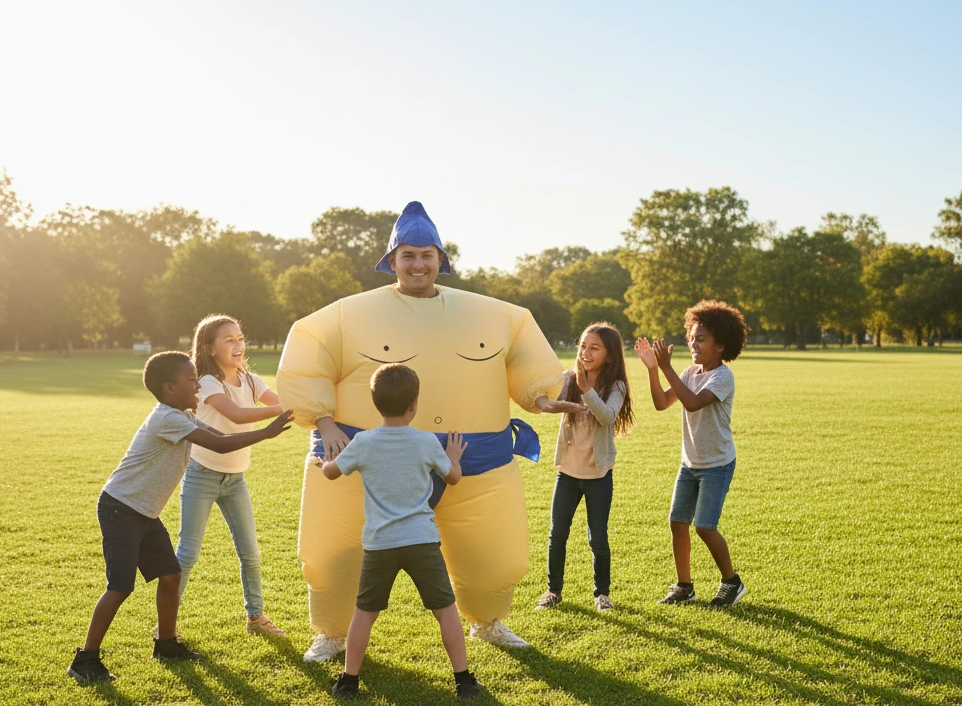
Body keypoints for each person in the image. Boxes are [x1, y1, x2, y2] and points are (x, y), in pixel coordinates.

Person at [276, 201, 564, 661]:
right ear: (392, 262)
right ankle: (332, 633)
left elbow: (529, 358)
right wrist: (323, 419)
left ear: (441, 261)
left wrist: (541, 395)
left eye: (426, 255)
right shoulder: (346, 315)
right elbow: (307, 352)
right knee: (335, 556)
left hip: (474, 462)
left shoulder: (495, 315)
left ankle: (488, 621)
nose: (417, 264)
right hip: (369, 460)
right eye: (407, 255)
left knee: (498, 561)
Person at [67, 351, 293, 682]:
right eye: (190, 380)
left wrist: (262, 431)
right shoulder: (167, 418)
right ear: (169, 388)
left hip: (144, 512)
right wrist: (266, 432)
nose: (197, 386)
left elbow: (219, 437)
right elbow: (218, 446)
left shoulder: (184, 413)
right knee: (119, 587)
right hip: (121, 508)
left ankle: (167, 644)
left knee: (171, 575)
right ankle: (84, 660)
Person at [320, 363, 483, 699]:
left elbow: (331, 473)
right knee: (445, 611)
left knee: (365, 613)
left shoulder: (363, 443)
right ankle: (464, 681)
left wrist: (324, 460)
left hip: (380, 544)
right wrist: (453, 457)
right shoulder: (425, 442)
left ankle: (349, 682)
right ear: (415, 404)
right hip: (422, 540)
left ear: (374, 402)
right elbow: (453, 478)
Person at [175, 314, 289, 638]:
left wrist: (304, 403)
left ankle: (256, 618)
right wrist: (281, 411)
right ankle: (165, 624)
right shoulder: (208, 383)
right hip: (202, 475)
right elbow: (236, 414)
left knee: (250, 552)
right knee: (187, 553)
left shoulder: (250, 380)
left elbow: (278, 401)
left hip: (235, 479)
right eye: (229, 340)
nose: (238, 345)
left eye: (240, 338)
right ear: (210, 349)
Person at [634, 299, 748, 607]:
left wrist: (667, 367)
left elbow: (694, 402)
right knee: (677, 521)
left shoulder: (722, 377)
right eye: (691, 336)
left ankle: (731, 582)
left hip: (717, 464)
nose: (692, 343)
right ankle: (684, 586)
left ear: (721, 346)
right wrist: (653, 370)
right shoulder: (689, 371)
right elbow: (662, 403)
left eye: (701, 338)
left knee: (705, 526)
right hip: (690, 462)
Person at [535, 322, 634, 613]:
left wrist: (586, 390)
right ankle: (553, 592)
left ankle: (602, 595)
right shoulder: (569, 378)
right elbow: (549, 402)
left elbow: (606, 416)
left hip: (597, 475)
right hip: (567, 473)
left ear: (610, 355)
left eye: (594, 347)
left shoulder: (616, 386)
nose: (586, 352)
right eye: (583, 346)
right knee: (557, 534)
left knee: (598, 538)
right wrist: (549, 402)